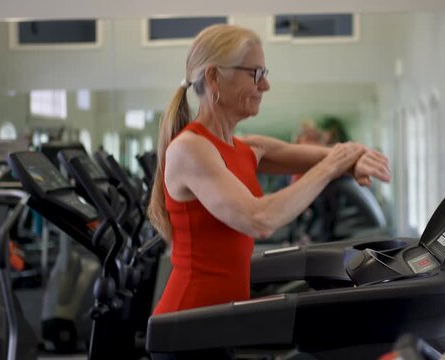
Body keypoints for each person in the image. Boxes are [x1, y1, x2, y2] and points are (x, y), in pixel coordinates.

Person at [148, 24, 391, 317]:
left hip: (220, 321)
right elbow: (259, 218)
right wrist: (333, 166)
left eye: (265, 74)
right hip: (186, 323)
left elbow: (330, 156)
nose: (265, 86)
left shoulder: (248, 148)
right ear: (214, 76)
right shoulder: (190, 149)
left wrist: (356, 160)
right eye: (256, 74)